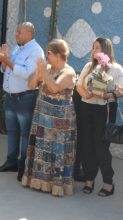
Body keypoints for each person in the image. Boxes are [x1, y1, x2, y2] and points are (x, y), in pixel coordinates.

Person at [21, 39, 77, 196]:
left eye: (49, 53)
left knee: (57, 149)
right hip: (43, 115)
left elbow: (55, 87)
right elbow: (31, 85)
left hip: (60, 120)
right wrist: (39, 73)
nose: (46, 55)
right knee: (41, 149)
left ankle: (57, 185)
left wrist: (43, 72)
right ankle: (38, 181)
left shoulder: (69, 72)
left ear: (58, 55)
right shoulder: (47, 69)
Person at [0, 22, 44, 181]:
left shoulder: (36, 51)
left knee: (25, 134)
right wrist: (4, 60)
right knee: (12, 131)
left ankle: (23, 166)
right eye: (16, 32)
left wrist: (6, 60)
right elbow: (6, 69)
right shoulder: (17, 47)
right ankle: (11, 162)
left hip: (25, 98)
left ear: (29, 34)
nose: (16, 34)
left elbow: (27, 74)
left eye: (19, 32)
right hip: (10, 97)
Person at [76, 37, 123, 196]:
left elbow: (120, 92)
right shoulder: (89, 66)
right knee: (87, 145)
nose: (94, 51)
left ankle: (108, 182)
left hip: (104, 110)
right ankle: (89, 179)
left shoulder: (116, 69)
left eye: (97, 48)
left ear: (106, 50)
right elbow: (79, 85)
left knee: (101, 147)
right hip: (86, 107)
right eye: (93, 47)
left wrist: (105, 96)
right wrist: (86, 95)